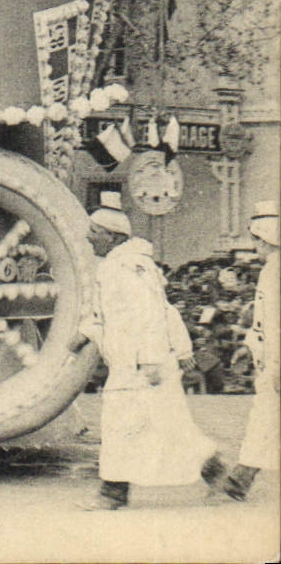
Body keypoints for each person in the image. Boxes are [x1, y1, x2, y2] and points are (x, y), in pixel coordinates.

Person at [75, 197, 231, 509]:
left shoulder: (126, 266)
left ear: (114, 236)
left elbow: (149, 312)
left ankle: (112, 494)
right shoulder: (118, 265)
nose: (88, 237)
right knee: (166, 426)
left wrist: (149, 361)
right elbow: (114, 315)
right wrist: (83, 336)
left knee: (125, 426)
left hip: (142, 366)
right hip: (133, 363)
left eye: (95, 231)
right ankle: (215, 473)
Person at [222, 204, 279, 501]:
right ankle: (242, 476)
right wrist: (248, 346)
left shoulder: (275, 271)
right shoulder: (270, 270)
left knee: (266, 415)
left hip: (276, 362)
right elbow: (262, 321)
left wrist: (278, 366)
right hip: (269, 358)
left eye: (257, 239)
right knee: (267, 416)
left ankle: (242, 476)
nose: (255, 245)